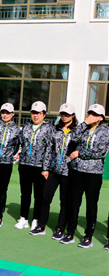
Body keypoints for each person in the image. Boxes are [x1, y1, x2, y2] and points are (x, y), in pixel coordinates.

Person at [61, 104, 109, 248]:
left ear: (100, 118)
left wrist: (80, 153)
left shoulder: (105, 131)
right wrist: (84, 124)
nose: (91, 116)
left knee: (91, 204)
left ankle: (88, 236)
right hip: (77, 171)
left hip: (93, 173)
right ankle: (70, 232)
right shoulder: (84, 128)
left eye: (94, 114)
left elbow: (100, 152)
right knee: (74, 202)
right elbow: (72, 138)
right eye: (89, 113)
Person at [30, 103, 78, 238]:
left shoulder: (77, 132)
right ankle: (41, 226)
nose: (64, 117)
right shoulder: (54, 130)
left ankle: (60, 229)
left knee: (64, 201)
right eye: (62, 114)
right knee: (45, 198)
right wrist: (45, 168)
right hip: (53, 170)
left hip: (68, 172)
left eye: (67, 114)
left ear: (73, 116)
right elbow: (49, 150)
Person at [14, 101, 55, 230]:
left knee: (39, 195)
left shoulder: (49, 129)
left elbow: (50, 149)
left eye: (39, 113)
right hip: (25, 164)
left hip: (39, 167)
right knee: (25, 193)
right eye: (33, 113)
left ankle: (36, 219)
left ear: (44, 114)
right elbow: (20, 143)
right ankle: (23, 218)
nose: (35, 115)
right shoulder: (26, 126)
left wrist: (46, 168)